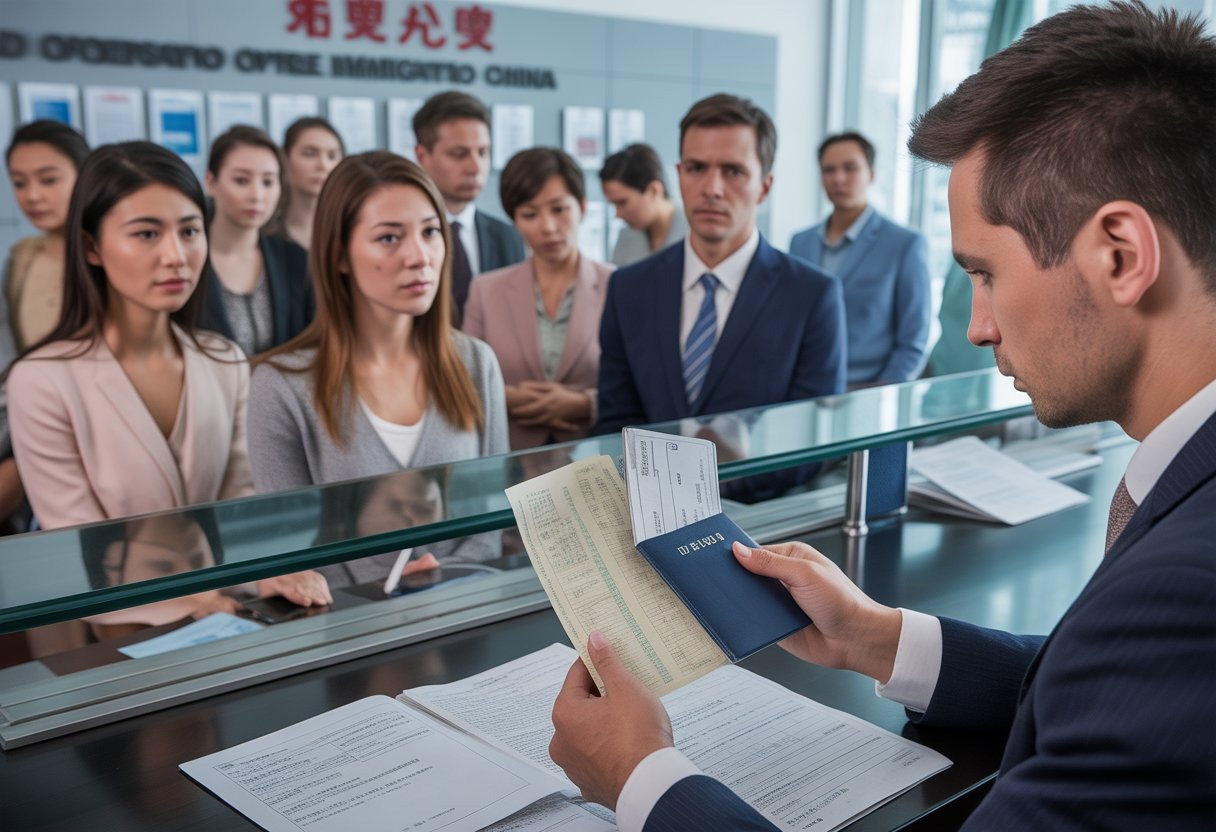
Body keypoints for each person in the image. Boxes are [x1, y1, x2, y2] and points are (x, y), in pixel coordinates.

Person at [549, 4, 1216, 830]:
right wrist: (873, 637)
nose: (975, 326)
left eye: (984, 272)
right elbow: (1112, 686)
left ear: (1120, 254)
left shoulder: (1188, 590)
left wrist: (643, 776)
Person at [4, 141, 329, 642]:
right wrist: (194, 601)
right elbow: (80, 543)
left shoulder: (223, 360)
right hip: (104, 631)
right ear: (91, 247)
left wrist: (273, 571)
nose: (176, 256)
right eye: (147, 234)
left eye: (190, 231)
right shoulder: (42, 379)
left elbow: (239, 506)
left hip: (223, 615)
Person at [247, 151, 508, 588]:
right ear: (340, 255)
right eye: (389, 238)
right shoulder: (281, 385)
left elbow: (494, 516)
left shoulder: (475, 363)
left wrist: (445, 578)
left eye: (430, 232)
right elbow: (292, 543)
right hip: (348, 625)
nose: (419, 256)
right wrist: (382, 590)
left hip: (465, 610)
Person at [593, 94, 846, 435]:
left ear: (764, 187)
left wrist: (715, 482)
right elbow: (614, 422)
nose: (712, 189)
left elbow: (811, 436)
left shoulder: (812, 296)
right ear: (679, 175)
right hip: (646, 489)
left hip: (760, 489)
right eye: (697, 169)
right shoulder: (629, 287)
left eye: (733, 171)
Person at [464, 148, 614, 450]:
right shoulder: (485, 290)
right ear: (514, 220)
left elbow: (641, 385)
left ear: (582, 207)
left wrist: (585, 404)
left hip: (596, 457)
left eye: (559, 209)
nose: (547, 227)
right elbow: (464, 381)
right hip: (507, 462)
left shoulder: (619, 285)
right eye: (530, 214)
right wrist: (509, 398)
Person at [790, 132, 931, 386]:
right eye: (829, 170)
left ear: (871, 174)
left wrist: (880, 393)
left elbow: (914, 341)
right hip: (804, 388)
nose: (839, 179)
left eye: (850, 168)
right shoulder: (800, 243)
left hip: (867, 391)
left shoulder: (904, 244)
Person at [198, 125, 314, 357]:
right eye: (241, 181)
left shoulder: (295, 260)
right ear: (211, 182)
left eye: (268, 182)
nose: (257, 195)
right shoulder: (186, 260)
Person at [413, 91, 525, 323]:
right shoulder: (405, 237)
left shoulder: (507, 236)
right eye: (459, 154)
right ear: (422, 156)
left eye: (483, 152)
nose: (475, 167)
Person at [3, 120, 90, 362]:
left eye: (48, 180)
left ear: (84, 176)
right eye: (19, 183)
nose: (31, 196)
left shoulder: (113, 256)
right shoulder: (21, 259)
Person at [599, 143, 687, 267]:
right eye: (613, 204)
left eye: (622, 202)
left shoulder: (695, 231)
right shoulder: (626, 238)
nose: (618, 215)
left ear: (654, 191)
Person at [276, 117, 345, 250]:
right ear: (284, 159)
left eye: (332, 156)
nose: (323, 165)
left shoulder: (349, 229)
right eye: (310, 154)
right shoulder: (266, 231)